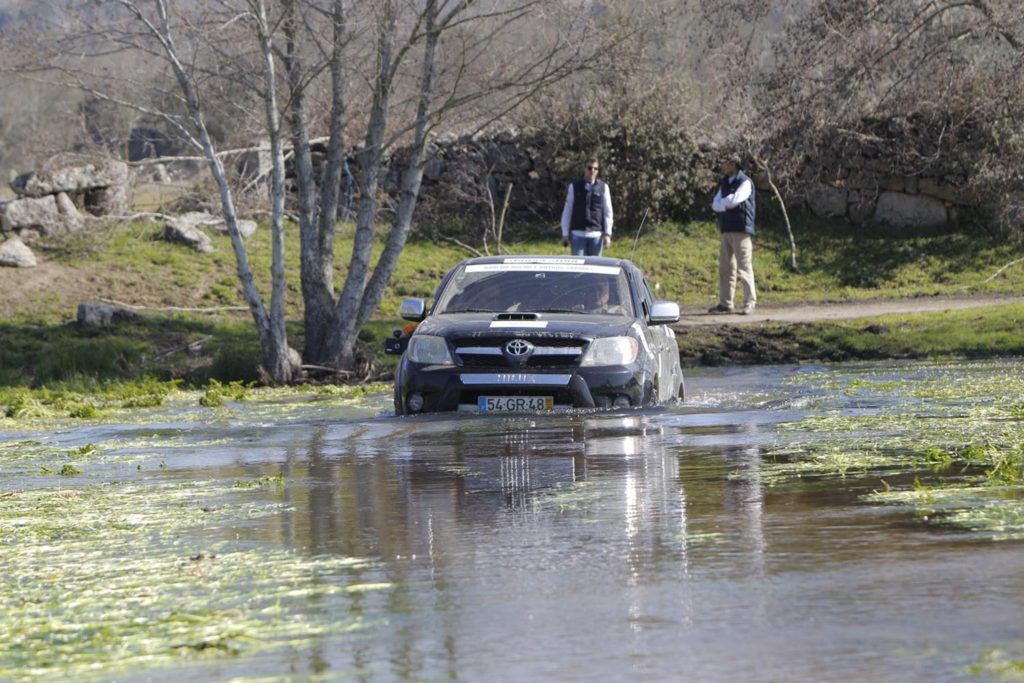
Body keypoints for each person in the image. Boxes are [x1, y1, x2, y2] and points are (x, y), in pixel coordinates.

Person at [709, 154, 757, 315]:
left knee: (744, 267)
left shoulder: (745, 182)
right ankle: (725, 302)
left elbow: (735, 201)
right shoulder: (725, 183)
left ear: (733, 164)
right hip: (726, 229)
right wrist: (726, 203)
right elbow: (716, 205)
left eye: (726, 163)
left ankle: (749, 302)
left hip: (741, 230)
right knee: (726, 267)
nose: (723, 166)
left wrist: (726, 203)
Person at [561, 157, 613, 256]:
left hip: (596, 235)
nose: (592, 171)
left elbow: (608, 212)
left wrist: (607, 234)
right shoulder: (574, 187)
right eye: (589, 168)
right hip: (578, 234)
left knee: (595, 268)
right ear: (584, 169)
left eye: (595, 168)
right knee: (577, 267)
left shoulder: (604, 188)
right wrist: (565, 234)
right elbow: (567, 210)